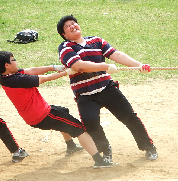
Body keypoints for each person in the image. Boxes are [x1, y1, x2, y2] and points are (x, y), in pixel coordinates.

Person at [57, 15, 158, 162]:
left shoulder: (96, 41)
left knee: (130, 117)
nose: (72, 26)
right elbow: (78, 66)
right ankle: (105, 151)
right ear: (64, 35)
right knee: (91, 124)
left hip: (107, 88)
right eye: (67, 26)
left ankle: (148, 146)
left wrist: (138, 65)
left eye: (74, 23)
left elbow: (116, 54)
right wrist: (105, 66)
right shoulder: (65, 47)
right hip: (85, 95)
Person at [0, 51, 114, 168]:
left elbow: (32, 70)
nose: (16, 61)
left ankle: (71, 146)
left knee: (63, 112)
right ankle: (99, 160)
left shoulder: (7, 77)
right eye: (13, 60)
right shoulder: (17, 79)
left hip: (36, 115)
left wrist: (54, 67)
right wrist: (67, 72)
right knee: (79, 128)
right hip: (43, 115)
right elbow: (45, 78)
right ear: (7, 65)